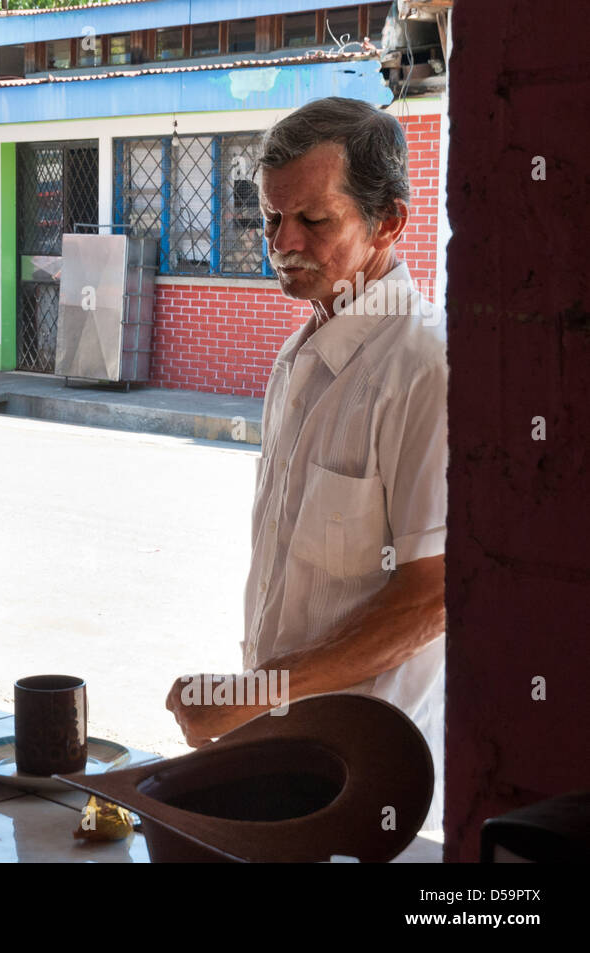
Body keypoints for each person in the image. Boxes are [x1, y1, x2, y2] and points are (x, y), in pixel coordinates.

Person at [164, 97, 448, 828]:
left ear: (388, 222)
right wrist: (258, 701)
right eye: (270, 219)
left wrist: (251, 693)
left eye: (315, 221)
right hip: (288, 753)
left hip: (372, 777)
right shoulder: (299, 356)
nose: (283, 242)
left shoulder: (425, 366)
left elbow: (432, 597)